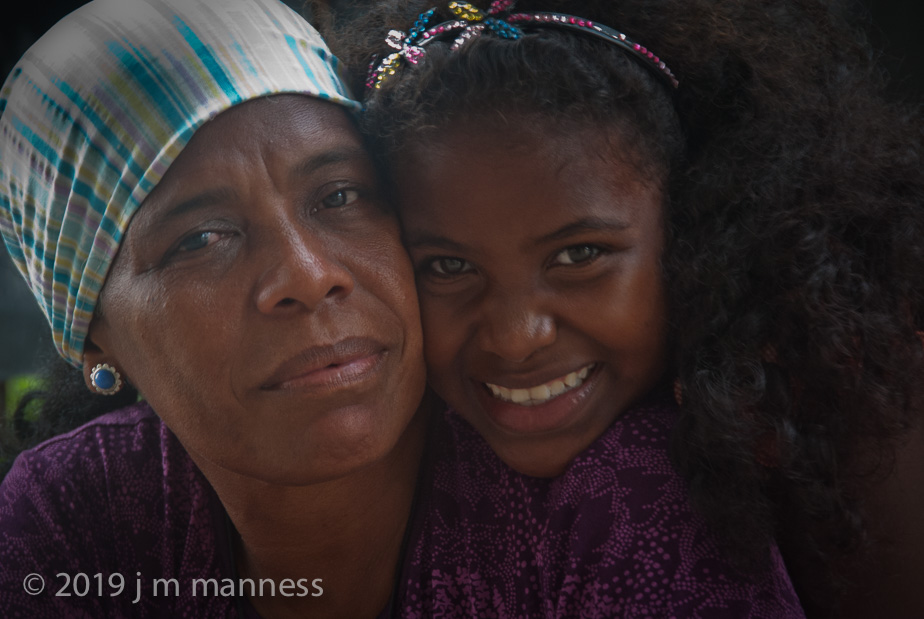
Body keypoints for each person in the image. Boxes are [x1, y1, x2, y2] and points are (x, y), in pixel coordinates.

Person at [1, 0, 809, 617]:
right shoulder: (76, 513)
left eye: (340, 194)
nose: (309, 276)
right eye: (201, 238)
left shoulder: (616, 506)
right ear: (92, 328)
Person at [320, 0, 924, 616]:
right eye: (449, 267)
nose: (515, 338)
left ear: (694, 227)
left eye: (579, 255)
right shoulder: (398, 444)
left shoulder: (846, 404)